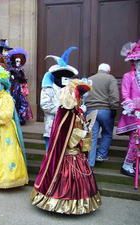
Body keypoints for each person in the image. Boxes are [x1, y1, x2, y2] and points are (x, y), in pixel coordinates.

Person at [31, 79, 101, 215]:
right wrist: (83, 132)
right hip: (68, 153)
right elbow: (67, 138)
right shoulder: (66, 114)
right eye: (79, 96)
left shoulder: (77, 113)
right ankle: (59, 203)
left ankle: (78, 203)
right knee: (66, 177)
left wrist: (85, 128)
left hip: (77, 153)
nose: (80, 100)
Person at [40, 47, 78, 150]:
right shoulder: (48, 88)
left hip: (67, 128)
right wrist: (62, 110)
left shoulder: (71, 89)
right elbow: (45, 105)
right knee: (51, 154)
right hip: (52, 127)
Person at [85, 63, 119, 167]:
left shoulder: (89, 79)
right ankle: (101, 155)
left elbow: (84, 95)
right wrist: (114, 108)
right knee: (107, 133)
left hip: (91, 110)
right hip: (105, 110)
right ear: (108, 70)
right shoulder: (110, 78)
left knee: (92, 136)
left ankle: (90, 163)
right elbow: (114, 95)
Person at [116, 40, 140, 176]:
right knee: (134, 140)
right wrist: (132, 107)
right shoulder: (127, 76)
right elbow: (125, 95)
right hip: (133, 115)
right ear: (135, 62)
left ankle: (137, 164)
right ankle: (127, 165)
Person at [7, 48, 33, 125]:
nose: (18, 63)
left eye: (19, 61)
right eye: (17, 61)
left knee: (21, 102)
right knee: (13, 102)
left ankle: (20, 118)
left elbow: (23, 80)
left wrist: (23, 82)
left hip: (20, 89)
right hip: (13, 88)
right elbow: (10, 79)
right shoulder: (11, 70)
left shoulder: (21, 70)